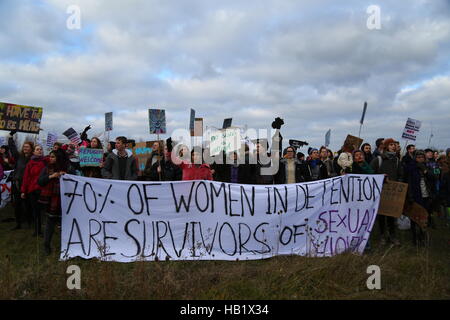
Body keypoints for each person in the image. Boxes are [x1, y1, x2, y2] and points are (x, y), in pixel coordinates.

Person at [38, 150, 73, 255]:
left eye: (53, 157)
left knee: (65, 224)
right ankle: (46, 246)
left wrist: (66, 175)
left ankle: (66, 246)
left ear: (59, 158)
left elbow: (76, 179)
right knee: (50, 223)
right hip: (52, 201)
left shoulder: (69, 168)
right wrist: (51, 176)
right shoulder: (47, 168)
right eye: (50, 156)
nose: (50, 158)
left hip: (66, 201)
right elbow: (40, 181)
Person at [370, 138, 403, 245]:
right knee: (381, 216)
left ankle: (393, 236)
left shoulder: (397, 160)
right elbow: (370, 174)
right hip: (380, 192)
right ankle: (382, 236)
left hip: (393, 193)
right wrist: (380, 177)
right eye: (391, 144)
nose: (393, 146)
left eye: (394, 144)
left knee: (392, 215)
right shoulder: (378, 159)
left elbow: (400, 175)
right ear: (386, 147)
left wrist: (398, 183)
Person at [405, 150, 436, 246]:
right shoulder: (411, 167)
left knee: (424, 216)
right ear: (415, 158)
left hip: (426, 196)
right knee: (415, 217)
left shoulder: (428, 166)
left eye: (422, 157)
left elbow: (434, 177)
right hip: (415, 196)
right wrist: (410, 196)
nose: (420, 159)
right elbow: (408, 181)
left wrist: (425, 170)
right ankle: (415, 238)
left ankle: (422, 237)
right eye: (418, 157)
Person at [8, 132, 34, 230]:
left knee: (27, 204)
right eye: (24, 147)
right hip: (17, 184)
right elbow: (12, 148)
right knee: (17, 204)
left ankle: (30, 222)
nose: (25, 148)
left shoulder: (32, 159)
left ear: (31, 148)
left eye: (27, 147)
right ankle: (18, 223)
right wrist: (11, 136)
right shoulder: (19, 157)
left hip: (27, 185)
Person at [21, 145, 48, 236]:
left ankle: (46, 230)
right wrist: (23, 191)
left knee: (44, 211)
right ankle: (37, 230)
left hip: (43, 189)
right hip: (32, 190)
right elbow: (26, 177)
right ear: (34, 152)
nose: (39, 151)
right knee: (35, 211)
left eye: (41, 149)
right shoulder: (30, 163)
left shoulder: (45, 161)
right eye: (37, 149)